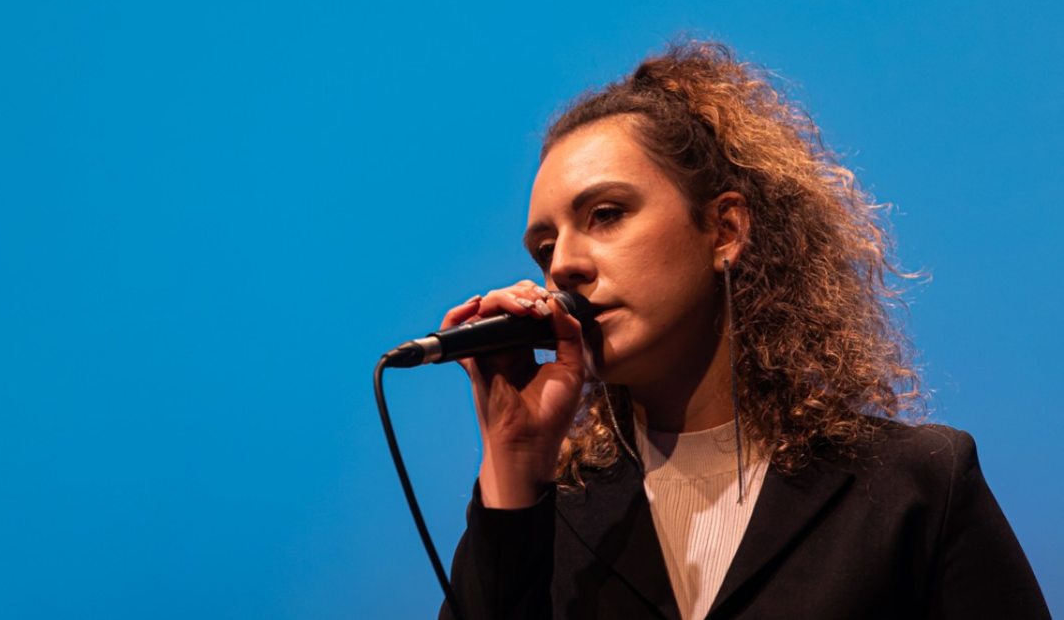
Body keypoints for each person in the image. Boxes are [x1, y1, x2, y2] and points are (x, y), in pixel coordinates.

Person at [437, 40, 1050, 619]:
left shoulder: (913, 486)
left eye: (606, 214)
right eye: (544, 249)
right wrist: (514, 460)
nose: (564, 266)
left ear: (724, 230)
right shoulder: (545, 513)